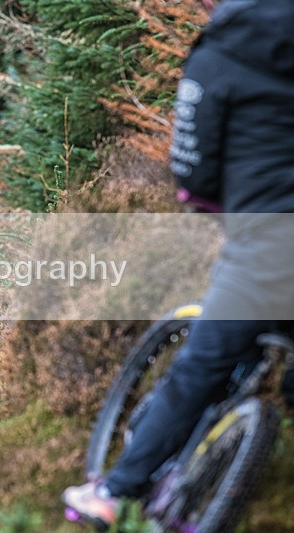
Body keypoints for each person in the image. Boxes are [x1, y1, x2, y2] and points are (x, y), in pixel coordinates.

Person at [63, 0, 294, 527]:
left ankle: (116, 491)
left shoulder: (225, 46)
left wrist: (209, 203)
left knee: (200, 368)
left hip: (270, 236)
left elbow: (192, 163)